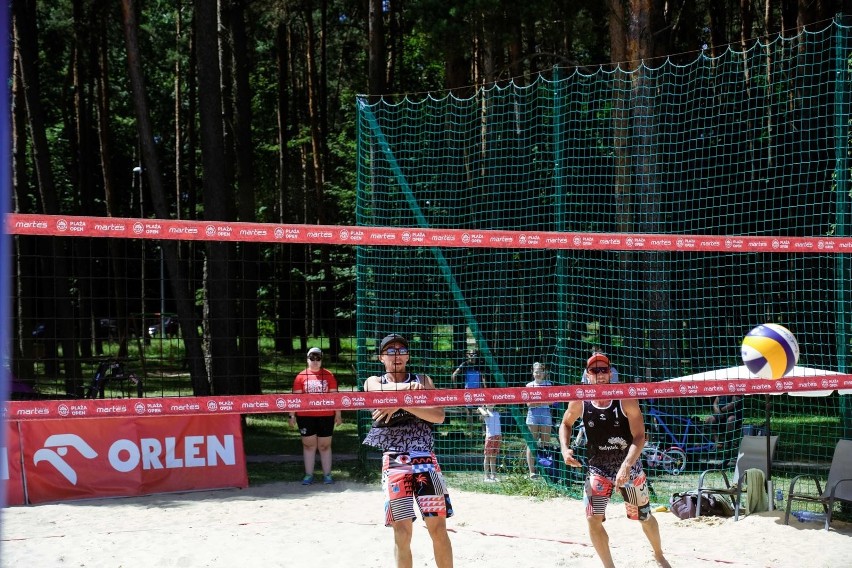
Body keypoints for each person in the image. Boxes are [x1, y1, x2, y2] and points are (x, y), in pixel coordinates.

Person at [558, 353, 670, 568]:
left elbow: (640, 436)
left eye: (603, 370)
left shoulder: (624, 397)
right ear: (587, 374)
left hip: (629, 466)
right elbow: (565, 423)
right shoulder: (580, 399)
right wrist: (565, 449)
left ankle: (658, 555)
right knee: (593, 519)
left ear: (610, 373)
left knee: (643, 517)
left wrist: (626, 466)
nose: (599, 374)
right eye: (594, 370)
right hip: (598, 468)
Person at [362, 334, 454, 568]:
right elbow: (377, 395)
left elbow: (439, 416)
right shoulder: (373, 381)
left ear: (408, 356)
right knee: (401, 531)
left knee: (437, 527)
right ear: (381, 357)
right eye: (390, 352)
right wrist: (411, 394)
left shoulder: (423, 379)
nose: (396, 356)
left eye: (401, 350)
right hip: (394, 460)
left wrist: (401, 402)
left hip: (425, 459)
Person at [289, 347, 342, 485]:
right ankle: (308, 475)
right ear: (307, 359)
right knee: (308, 445)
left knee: (324, 446)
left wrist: (338, 414)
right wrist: (292, 416)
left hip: (326, 415)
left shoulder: (329, 375)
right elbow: (295, 399)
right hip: (305, 416)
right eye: (312, 358)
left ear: (322, 360)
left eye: (318, 358)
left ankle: (327, 475)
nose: (315, 361)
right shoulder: (301, 376)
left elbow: (335, 397)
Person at [525, 361, 554, 479]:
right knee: (532, 443)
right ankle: (532, 471)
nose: (538, 373)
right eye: (536, 371)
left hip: (545, 414)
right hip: (533, 415)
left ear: (544, 373)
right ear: (533, 372)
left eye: (540, 371)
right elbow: (529, 404)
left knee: (545, 443)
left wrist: (537, 402)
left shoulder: (549, 384)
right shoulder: (529, 386)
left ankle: (546, 471)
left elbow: (551, 401)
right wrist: (542, 401)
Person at [451, 349, 487, 429]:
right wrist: (456, 387)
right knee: (469, 411)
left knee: (482, 410)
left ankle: (484, 431)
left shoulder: (479, 364)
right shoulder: (465, 364)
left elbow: (483, 377)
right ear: (467, 355)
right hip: (468, 391)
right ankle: (470, 432)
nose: (473, 356)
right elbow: (454, 375)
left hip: (479, 391)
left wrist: (485, 388)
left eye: (474, 354)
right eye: (471, 354)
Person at [478, 405, 502, 482]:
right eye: (488, 402)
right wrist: (480, 407)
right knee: (487, 457)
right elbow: (484, 414)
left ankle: (493, 475)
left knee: (493, 457)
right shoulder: (485, 413)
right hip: (490, 437)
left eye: (492, 402)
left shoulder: (497, 413)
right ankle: (486, 476)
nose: (490, 404)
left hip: (497, 436)